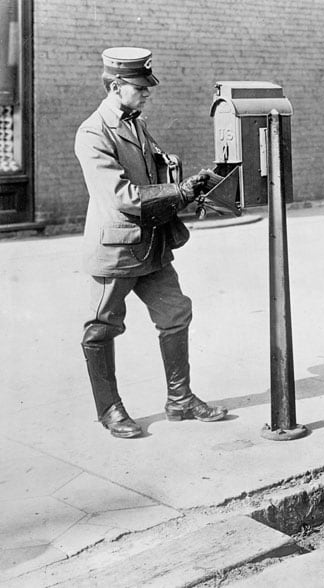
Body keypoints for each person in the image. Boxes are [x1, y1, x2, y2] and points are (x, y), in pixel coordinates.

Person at [74, 47, 227, 438]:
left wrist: (188, 184)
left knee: (175, 312)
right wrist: (180, 192)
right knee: (101, 327)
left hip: (151, 244)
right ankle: (109, 409)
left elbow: (153, 173)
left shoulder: (135, 123)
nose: (146, 93)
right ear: (114, 86)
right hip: (117, 248)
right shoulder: (94, 132)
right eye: (139, 88)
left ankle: (180, 399)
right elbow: (123, 197)